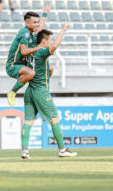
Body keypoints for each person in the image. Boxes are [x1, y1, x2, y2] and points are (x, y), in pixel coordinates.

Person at [21, 24, 77, 159]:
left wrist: (48, 71)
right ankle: (62, 149)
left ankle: (24, 151)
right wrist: (63, 30)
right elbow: (55, 46)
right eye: (50, 39)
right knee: (54, 119)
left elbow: (39, 32)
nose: (51, 41)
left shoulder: (31, 50)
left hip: (29, 91)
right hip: (41, 91)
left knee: (28, 121)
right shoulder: (41, 52)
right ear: (44, 41)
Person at [6, 5, 50, 106]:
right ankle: (12, 92)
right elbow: (24, 52)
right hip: (13, 66)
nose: (37, 24)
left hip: (24, 65)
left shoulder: (31, 32)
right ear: (27, 23)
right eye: (35, 22)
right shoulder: (25, 33)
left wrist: (45, 14)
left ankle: (38, 92)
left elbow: (40, 28)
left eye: (37, 22)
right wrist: (39, 48)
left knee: (48, 69)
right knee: (31, 73)